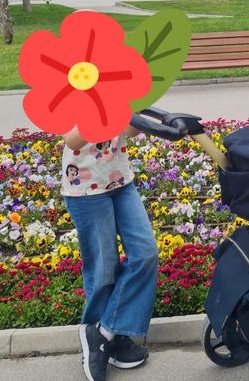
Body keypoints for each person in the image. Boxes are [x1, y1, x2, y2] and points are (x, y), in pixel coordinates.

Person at [62, 123, 159, 381]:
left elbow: (131, 131)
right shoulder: (74, 96)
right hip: (85, 189)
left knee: (145, 254)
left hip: (120, 182)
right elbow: (72, 140)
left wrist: (132, 109)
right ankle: (107, 339)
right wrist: (104, 112)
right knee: (103, 270)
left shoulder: (118, 94)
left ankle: (104, 333)